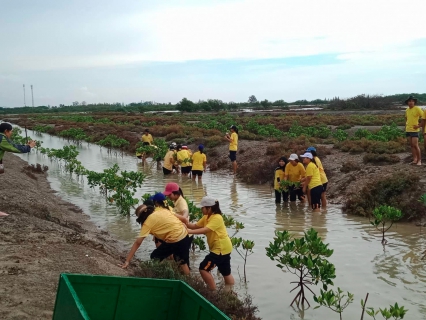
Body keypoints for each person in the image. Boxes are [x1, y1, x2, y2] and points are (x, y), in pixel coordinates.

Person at [120, 194, 190, 275]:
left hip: (175, 239)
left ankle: (162, 275)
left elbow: (137, 243)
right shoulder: (162, 210)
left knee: (155, 256)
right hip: (185, 235)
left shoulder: (147, 222)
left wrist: (127, 261)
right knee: (182, 262)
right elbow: (183, 219)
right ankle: (190, 282)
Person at [186, 196, 234, 291]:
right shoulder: (206, 217)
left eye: (202, 207)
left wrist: (188, 231)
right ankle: (230, 292)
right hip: (224, 248)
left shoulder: (217, 218)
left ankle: (212, 292)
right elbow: (195, 226)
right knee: (226, 273)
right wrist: (184, 223)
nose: (201, 209)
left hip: (220, 249)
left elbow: (205, 229)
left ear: (209, 208)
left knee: (203, 268)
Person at [405, 95, 424, 165]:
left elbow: (424, 117)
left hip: (415, 130)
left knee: (415, 145)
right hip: (408, 130)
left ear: (414, 102)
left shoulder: (417, 109)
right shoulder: (407, 110)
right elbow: (406, 118)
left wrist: (419, 125)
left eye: (412, 101)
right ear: (407, 102)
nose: (411, 102)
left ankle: (419, 160)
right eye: (409, 101)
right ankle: (414, 159)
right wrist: (406, 126)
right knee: (411, 145)